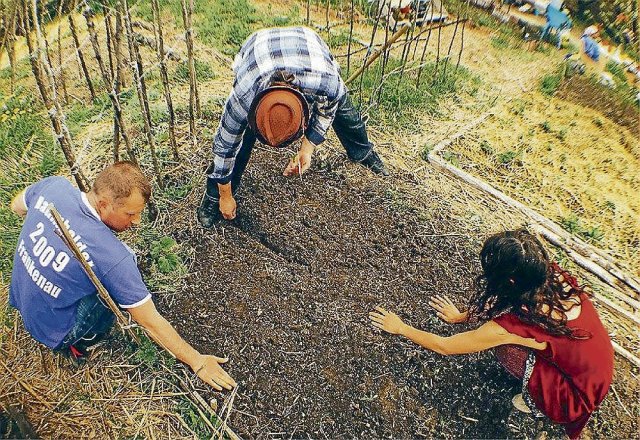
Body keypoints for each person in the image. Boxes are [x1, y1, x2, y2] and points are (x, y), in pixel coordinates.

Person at [9, 162, 236, 392]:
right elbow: (149, 321)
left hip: (21, 296)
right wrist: (197, 361)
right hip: (54, 330)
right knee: (125, 266)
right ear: (104, 205)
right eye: (131, 213)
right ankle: (84, 339)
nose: (137, 221)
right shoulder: (112, 258)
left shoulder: (54, 187)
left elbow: (17, 205)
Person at [369, 229, 613, 439]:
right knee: (513, 337)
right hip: (595, 373)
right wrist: (460, 317)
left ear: (509, 280)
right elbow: (506, 299)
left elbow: (445, 346)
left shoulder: (522, 325)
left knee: (505, 347)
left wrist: (400, 327)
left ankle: (539, 402)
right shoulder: (549, 275)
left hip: (574, 395)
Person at [197, 26, 389, 227]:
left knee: (347, 115)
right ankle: (213, 198)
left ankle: (363, 152)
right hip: (260, 48)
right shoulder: (245, 96)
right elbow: (224, 148)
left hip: (307, 44)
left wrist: (307, 149)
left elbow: (326, 111)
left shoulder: (326, 83)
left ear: (305, 111)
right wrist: (225, 195)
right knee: (240, 141)